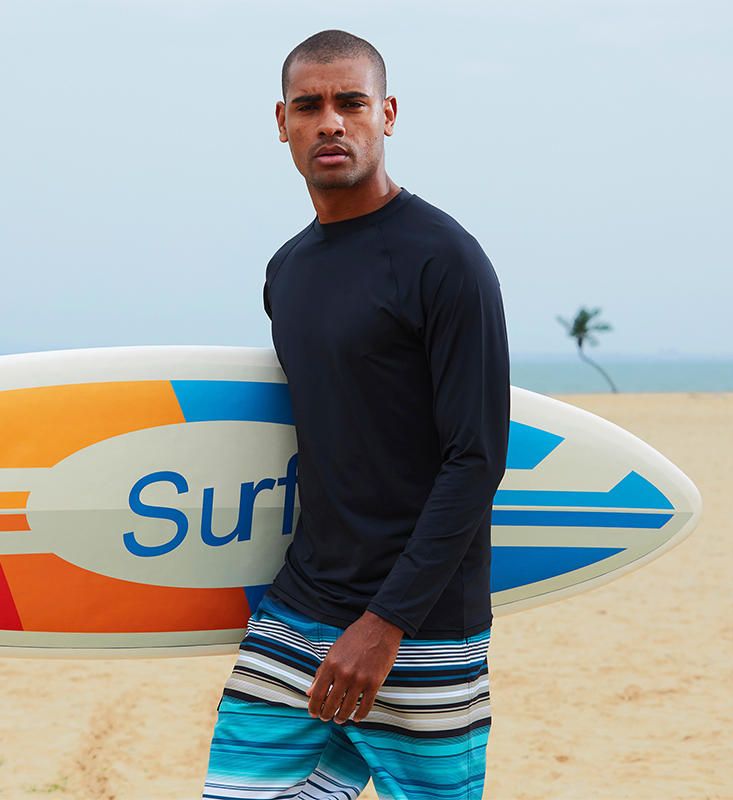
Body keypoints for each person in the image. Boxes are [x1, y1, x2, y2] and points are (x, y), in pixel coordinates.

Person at [202, 28, 510, 800]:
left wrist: (384, 625)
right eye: (310, 106)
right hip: (300, 605)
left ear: (388, 114)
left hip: (425, 626)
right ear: (283, 123)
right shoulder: (288, 271)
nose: (330, 122)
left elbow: (476, 458)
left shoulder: (446, 261)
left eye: (351, 102)